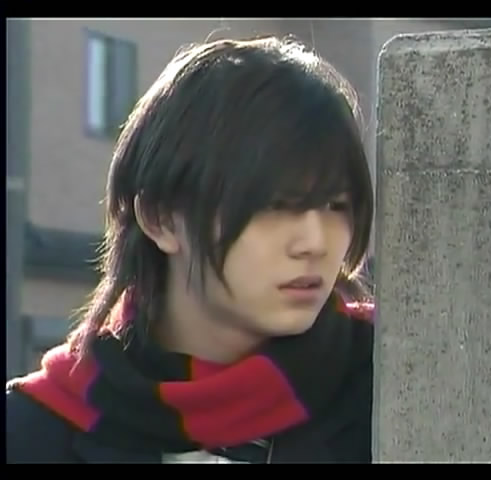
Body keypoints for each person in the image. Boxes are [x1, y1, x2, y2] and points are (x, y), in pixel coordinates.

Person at [6, 34, 375, 464]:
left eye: (336, 205)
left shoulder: (396, 381)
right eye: (275, 206)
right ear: (160, 217)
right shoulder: (36, 431)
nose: (314, 243)